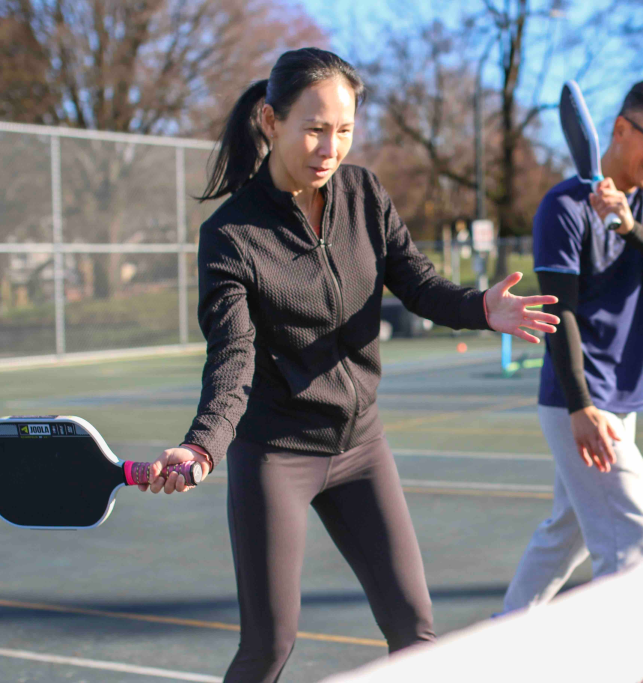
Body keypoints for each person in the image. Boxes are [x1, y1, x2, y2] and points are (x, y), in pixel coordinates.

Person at [135, 48, 559, 683]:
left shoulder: (363, 193)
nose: (329, 147)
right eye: (313, 127)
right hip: (276, 452)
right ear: (270, 120)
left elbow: (418, 284)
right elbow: (232, 359)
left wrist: (480, 308)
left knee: (416, 632)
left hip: (362, 446)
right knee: (269, 647)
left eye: (343, 130)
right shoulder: (232, 236)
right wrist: (201, 448)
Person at [501, 81, 643, 614]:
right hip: (583, 399)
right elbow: (557, 312)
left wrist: (629, 224)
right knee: (631, 530)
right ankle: (624, 658)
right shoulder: (562, 208)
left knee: (565, 533)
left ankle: (503, 638)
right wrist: (581, 406)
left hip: (623, 397)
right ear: (620, 130)